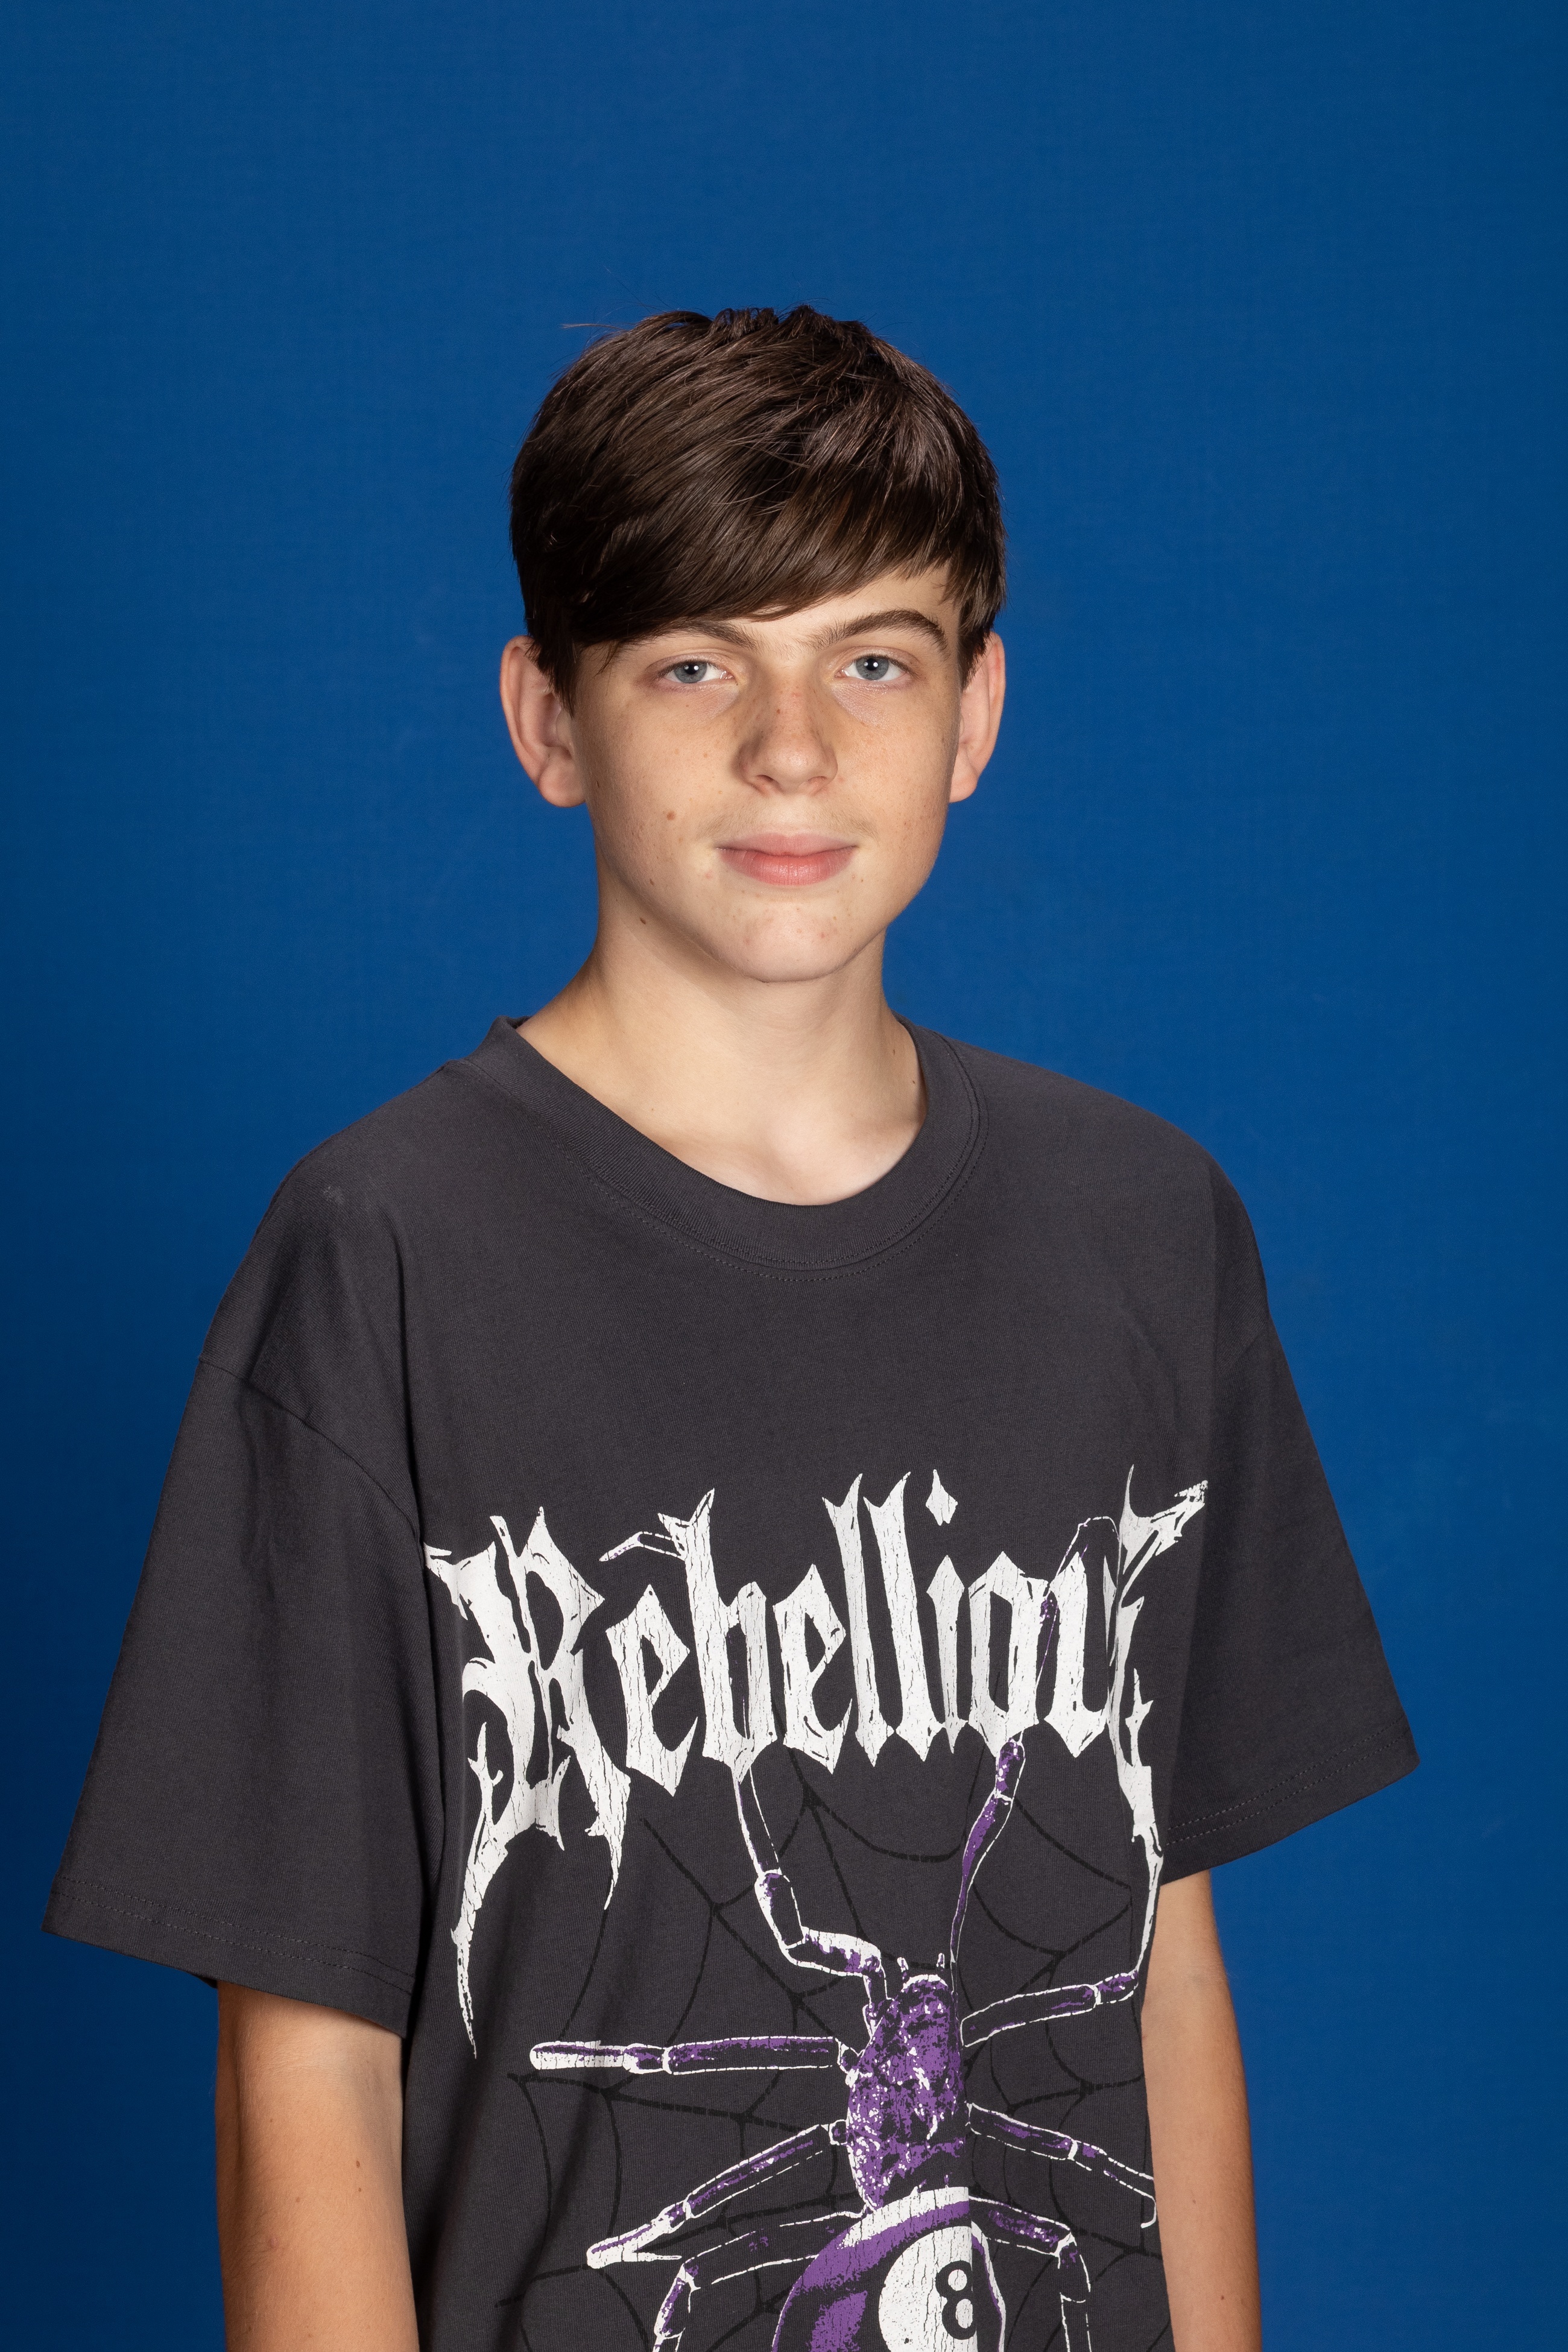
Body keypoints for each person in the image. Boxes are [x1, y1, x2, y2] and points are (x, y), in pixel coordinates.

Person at [46, 306, 1416, 2352]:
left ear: (976, 712)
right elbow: (300, 2073)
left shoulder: (1146, 1230)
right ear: (549, 719)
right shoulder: (384, 1256)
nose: (793, 747)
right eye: (696, 663)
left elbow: (1162, 1959)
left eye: (874, 659)